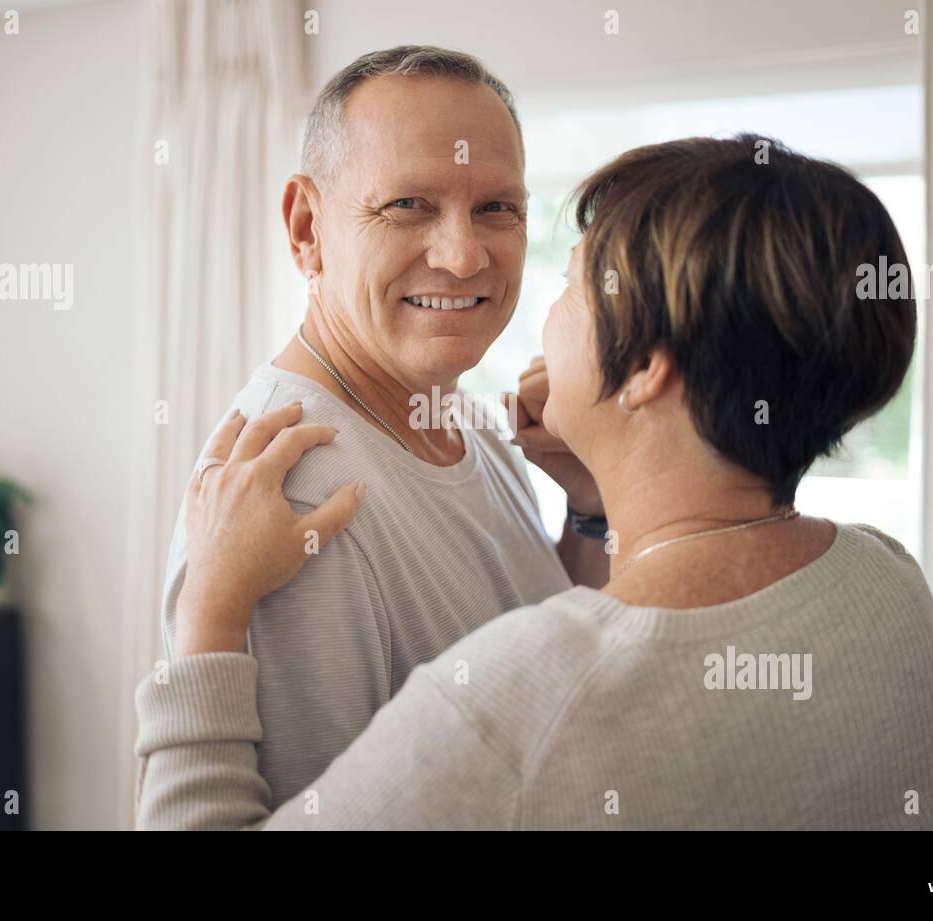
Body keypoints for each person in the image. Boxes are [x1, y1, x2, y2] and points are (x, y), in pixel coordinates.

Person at [135, 135, 933, 830]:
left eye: (571, 283)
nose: (475, 261)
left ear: (642, 368)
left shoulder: (511, 705)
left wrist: (208, 614)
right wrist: (595, 511)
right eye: (408, 204)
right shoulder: (892, 584)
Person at [157, 47, 606, 808]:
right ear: (307, 228)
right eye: (408, 205)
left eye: (498, 207)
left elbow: (546, 666)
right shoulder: (298, 492)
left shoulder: (465, 417)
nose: (464, 257)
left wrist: (589, 507)